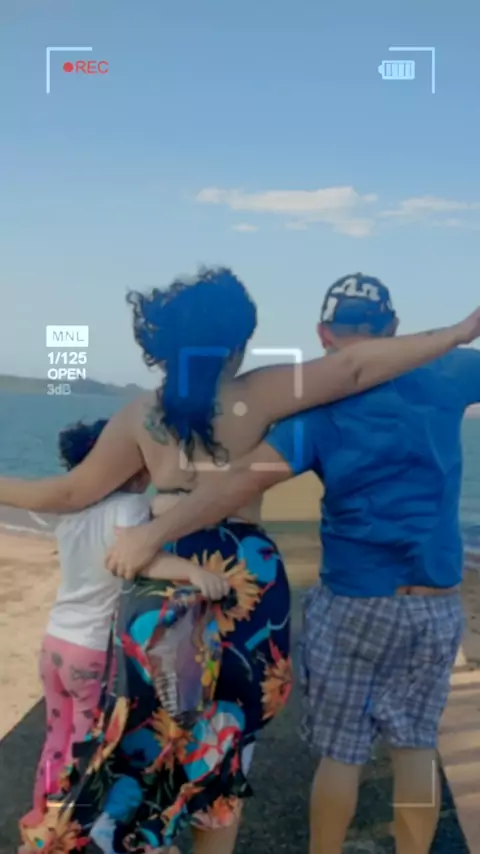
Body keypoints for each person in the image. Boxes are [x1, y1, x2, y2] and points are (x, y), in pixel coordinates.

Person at [1, 268, 480, 854]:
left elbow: (69, 493)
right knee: (227, 749)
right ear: (236, 343)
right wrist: (455, 333)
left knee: (153, 740)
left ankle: (131, 834)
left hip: (167, 580)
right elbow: (354, 369)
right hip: (249, 585)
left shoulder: (139, 416)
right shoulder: (263, 393)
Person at [21, 420, 202, 836]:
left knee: (56, 736)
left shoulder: (72, 514)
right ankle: (68, 827)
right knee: (86, 746)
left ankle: (40, 814)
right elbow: (141, 557)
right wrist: (193, 571)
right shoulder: (128, 508)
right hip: (90, 651)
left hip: (55, 641)